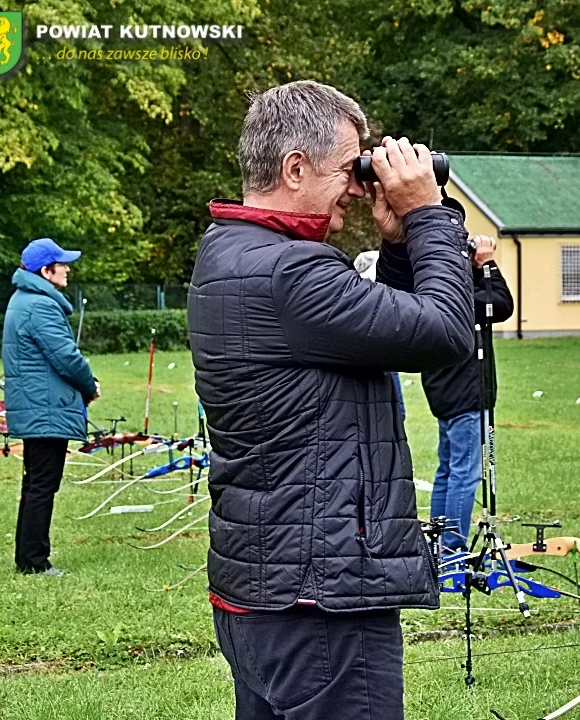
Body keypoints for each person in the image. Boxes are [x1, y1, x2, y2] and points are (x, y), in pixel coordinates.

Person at [187, 80, 474, 720]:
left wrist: (398, 246)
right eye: (350, 168)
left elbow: (386, 336)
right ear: (295, 168)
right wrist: (430, 214)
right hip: (321, 598)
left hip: (265, 586)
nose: (357, 184)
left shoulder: (229, 253)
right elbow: (446, 331)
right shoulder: (293, 272)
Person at [3, 238, 100, 576]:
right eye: (62, 264)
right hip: (44, 409)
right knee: (43, 484)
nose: (68, 268)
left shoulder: (23, 300)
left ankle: (29, 557)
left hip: (37, 406)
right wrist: (91, 385)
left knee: (36, 483)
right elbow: (67, 358)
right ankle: (33, 561)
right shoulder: (39, 306)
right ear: (46, 271)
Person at [423, 235, 513, 550]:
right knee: (465, 473)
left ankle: (438, 547)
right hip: (466, 393)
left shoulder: (433, 290)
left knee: (448, 470)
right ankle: (453, 550)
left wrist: (474, 268)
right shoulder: (457, 297)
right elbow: (500, 304)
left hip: (447, 392)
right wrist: (486, 263)